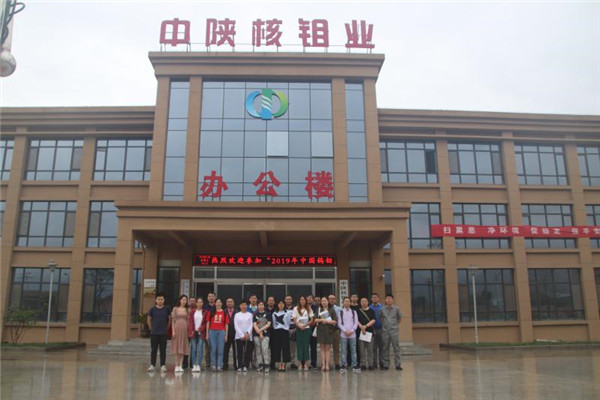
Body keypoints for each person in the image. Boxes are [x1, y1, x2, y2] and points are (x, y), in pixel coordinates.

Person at [147, 293, 170, 372]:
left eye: (161, 299)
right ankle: (152, 365)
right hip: (154, 333)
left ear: (164, 300)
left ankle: (163, 365)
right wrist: (151, 328)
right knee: (154, 350)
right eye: (158, 299)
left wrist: (166, 328)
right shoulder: (152, 309)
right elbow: (149, 319)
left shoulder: (166, 309)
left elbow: (169, 319)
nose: (160, 301)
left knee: (163, 350)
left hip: (163, 333)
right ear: (156, 300)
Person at [380, 294, 403, 371]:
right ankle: (386, 364)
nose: (389, 300)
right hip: (385, 331)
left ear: (392, 300)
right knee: (385, 348)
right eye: (387, 299)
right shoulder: (382, 309)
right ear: (385, 300)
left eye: (390, 298)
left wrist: (393, 325)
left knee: (396, 348)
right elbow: (381, 319)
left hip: (394, 331)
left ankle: (398, 364)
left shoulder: (397, 308)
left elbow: (399, 319)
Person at [315, 297, 338, 372]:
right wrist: (321, 320)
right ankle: (323, 365)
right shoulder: (319, 309)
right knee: (322, 348)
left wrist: (327, 321)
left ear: (328, 302)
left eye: (325, 301)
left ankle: (327, 365)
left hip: (329, 331)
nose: (324, 302)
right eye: (322, 301)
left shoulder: (331, 310)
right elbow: (315, 320)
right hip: (321, 330)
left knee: (328, 348)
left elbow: (335, 321)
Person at [292, 296, 314, 371]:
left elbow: (312, 319)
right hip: (299, 329)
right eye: (301, 299)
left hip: (306, 329)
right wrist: (299, 326)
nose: (302, 301)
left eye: (304, 300)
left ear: (306, 301)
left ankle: (306, 364)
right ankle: (300, 364)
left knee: (306, 346)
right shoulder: (295, 308)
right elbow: (294, 319)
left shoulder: (309, 308)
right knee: (299, 346)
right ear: (299, 300)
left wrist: (305, 325)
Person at [338, 297, 360, 372]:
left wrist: (351, 331)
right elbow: (339, 323)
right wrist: (345, 331)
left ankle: (354, 365)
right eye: (345, 301)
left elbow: (356, 323)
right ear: (343, 303)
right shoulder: (340, 312)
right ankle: (343, 365)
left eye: (348, 301)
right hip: (343, 334)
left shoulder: (354, 312)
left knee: (353, 350)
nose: (347, 303)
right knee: (343, 351)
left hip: (352, 334)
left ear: (350, 303)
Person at [208, 298, 229, 372]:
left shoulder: (224, 313)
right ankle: (213, 365)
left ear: (222, 304)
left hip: (221, 332)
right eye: (217, 302)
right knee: (213, 349)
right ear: (215, 303)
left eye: (219, 302)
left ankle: (219, 365)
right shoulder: (211, 312)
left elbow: (226, 324)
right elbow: (208, 322)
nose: (218, 303)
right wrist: (207, 333)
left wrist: (226, 335)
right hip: (212, 331)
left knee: (220, 349)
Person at [190, 297, 210, 372]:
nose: (199, 303)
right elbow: (190, 322)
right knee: (194, 349)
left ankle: (198, 365)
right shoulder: (192, 312)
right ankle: (193, 365)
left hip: (201, 333)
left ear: (203, 303)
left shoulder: (205, 312)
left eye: (201, 302)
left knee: (200, 349)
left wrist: (201, 328)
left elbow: (206, 323)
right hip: (193, 332)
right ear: (196, 303)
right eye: (198, 302)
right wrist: (191, 331)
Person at [171, 294, 190, 373]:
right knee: (176, 347)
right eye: (183, 299)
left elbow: (188, 321)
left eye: (185, 300)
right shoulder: (175, 309)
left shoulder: (187, 310)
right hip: (177, 328)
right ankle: (176, 365)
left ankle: (180, 365)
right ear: (180, 300)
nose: (184, 301)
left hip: (184, 329)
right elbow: (173, 321)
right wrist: (173, 331)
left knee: (183, 347)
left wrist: (188, 331)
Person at [271, 300, 292, 371]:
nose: (281, 305)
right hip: (277, 332)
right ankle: (279, 363)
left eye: (282, 303)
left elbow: (288, 323)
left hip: (285, 331)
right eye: (279, 303)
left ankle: (284, 364)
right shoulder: (274, 313)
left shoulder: (287, 313)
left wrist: (286, 328)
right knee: (277, 348)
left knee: (285, 348)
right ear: (277, 305)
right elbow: (274, 323)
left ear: (284, 304)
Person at [234, 300, 254, 372]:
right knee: (239, 352)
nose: (243, 306)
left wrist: (248, 333)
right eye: (242, 305)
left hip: (248, 336)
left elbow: (251, 324)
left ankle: (245, 365)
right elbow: (236, 325)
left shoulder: (250, 314)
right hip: (239, 336)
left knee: (247, 352)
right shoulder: (237, 315)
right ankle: (239, 366)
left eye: (245, 305)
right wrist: (242, 335)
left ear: (247, 306)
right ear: (240, 306)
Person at [356, 297, 375, 370]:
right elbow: (356, 320)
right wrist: (362, 327)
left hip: (369, 332)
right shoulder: (358, 311)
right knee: (362, 349)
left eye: (365, 301)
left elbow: (373, 320)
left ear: (368, 302)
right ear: (360, 303)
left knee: (370, 349)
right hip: (361, 333)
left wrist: (366, 326)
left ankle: (370, 364)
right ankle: (363, 364)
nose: (364, 302)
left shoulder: (371, 310)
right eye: (362, 301)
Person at [253, 300, 272, 373]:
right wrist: (259, 332)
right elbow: (254, 324)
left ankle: (267, 365)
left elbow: (268, 324)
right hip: (256, 334)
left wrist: (261, 331)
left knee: (265, 349)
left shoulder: (268, 314)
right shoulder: (255, 314)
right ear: (257, 306)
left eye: (262, 305)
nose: (261, 306)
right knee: (258, 350)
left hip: (265, 334)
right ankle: (260, 365)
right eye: (259, 305)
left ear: (264, 306)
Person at [369, 293, 384, 370]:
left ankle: (382, 363)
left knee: (381, 347)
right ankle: (374, 363)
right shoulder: (369, 307)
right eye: (373, 297)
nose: (374, 298)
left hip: (381, 329)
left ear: (378, 298)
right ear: (371, 299)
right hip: (372, 329)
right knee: (373, 347)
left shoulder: (382, 307)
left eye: (375, 297)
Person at [327, 294, 342, 370]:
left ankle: (336, 363)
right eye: (330, 299)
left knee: (336, 348)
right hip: (327, 330)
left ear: (335, 300)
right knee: (327, 348)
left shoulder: (339, 309)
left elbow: (341, 319)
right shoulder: (325, 308)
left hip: (336, 330)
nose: (331, 300)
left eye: (333, 299)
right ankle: (327, 363)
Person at [222, 297, 237, 371]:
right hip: (226, 334)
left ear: (233, 303)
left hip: (235, 333)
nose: (229, 303)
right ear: (226, 303)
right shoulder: (223, 311)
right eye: (228, 302)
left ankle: (236, 364)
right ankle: (225, 364)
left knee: (235, 350)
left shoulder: (237, 312)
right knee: (225, 350)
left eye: (231, 302)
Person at [182, 297, 196, 370]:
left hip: (194, 332)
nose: (192, 302)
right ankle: (184, 364)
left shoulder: (197, 310)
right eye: (191, 301)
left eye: (193, 301)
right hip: (186, 331)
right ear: (188, 302)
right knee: (185, 348)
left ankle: (192, 364)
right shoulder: (185, 310)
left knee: (193, 348)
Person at [204, 292, 217, 368]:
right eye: (209, 296)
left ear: (215, 297)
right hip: (207, 330)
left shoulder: (218, 306)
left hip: (217, 330)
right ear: (207, 298)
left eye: (212, 296)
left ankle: (215, 362)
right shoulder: (205, 307)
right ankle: (208, 363)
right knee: (208, 348)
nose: (211, 297)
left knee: (216, 347)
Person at [284, 295, 298, 369]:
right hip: (284, 329)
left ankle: (292, 362)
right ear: (285, 300)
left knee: (292, 347)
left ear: (292, 300)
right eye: (287, 299)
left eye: (289, 299)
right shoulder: (282, 308)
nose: (288, 300)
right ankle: (285, 362)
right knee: (285, 347)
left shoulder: (295, 309)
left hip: (293, 329)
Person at [306, 294, 319, 369]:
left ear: (313, 300)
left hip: (313, 329)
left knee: (313, 347)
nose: (309, 299)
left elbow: (318, 317)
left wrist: (314, 322)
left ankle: (314, 364)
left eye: (310, 298)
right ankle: (305, 363)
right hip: (305, 329)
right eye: (308, 298)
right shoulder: (303, 307)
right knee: (305, 347)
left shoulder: (316, 308)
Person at [350, 293, 361, 367]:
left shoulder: (360, 307)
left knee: (357, 346)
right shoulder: (348, 307)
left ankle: (358, 362)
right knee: (349, 347)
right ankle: (349, 362)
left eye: (355, 297)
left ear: (357, 298)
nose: (354, 298)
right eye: (353, 297)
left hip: (358, 329)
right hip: (349, 329)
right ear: (351, 298)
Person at [266, 296, 277, 370]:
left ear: (274, 302)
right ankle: (266, 363)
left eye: (272, 300)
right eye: (269, 300)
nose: (271, 302)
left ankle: (272, 364)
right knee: (266, 348)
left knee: (274, 348)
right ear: (267, 302)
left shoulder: (276, 310)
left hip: (274, 332)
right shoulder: (264, 310)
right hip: (266, 331)